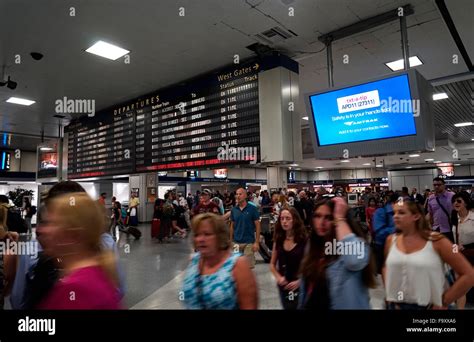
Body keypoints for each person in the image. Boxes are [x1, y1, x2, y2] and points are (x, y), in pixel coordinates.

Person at [383, 200, 474, 309]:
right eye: (394, 213)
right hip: (397, 305)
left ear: (415, 216)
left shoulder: (436, 241)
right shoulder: (390, 240)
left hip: (429, 305)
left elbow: (469, 274)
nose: (396, 216)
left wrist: (445, 301)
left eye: (401, 213)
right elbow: (386, 267)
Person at [37, 193, 121, 309]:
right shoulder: (99, 274)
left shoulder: (76, 290)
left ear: (73, 234)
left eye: (53, 223)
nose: (42, 230)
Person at [298, 197, 375, 309]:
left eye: (328, 217)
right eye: (317, 216)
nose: (321, 222)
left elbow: (354, 261)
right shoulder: (312, 246)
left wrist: (340, 217)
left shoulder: (352, 244)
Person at [181, 213, 258, 309]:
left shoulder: (237, 265)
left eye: (207, 234)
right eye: (197, 235)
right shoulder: (194, 261)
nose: (201, 239)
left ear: (220, 236)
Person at [269, 207, 307, 309]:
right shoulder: (279, 240)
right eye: (282, 219)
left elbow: (310, 264)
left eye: (288, 218)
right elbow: (272, 264)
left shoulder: (304, 240)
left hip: (300, 285)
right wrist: (279, 278)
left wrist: (300, 281)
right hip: (284, 285)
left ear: (294, 220)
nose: (284, 222)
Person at [451, 191, 474, 308]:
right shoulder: (454, 217)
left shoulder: (473, 218)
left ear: (466, 202)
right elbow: (455, 239)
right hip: (460, 257)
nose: (456, 203)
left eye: (459, 201)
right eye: (454, 201)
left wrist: (466, 246)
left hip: (472, 255)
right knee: (460, 288)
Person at [230, 188, 261, 269]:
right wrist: (230, 241)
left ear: (245, 196)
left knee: (248, 267)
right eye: (237, 194)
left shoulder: (252, 209)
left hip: (249, 243)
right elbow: (232, 226)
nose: (238, 196)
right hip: (236, 243)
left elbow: (258, 226)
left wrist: (257, 242)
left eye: (240, 194)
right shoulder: (234, 210)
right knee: (236, 266)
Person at [372, 193, 398, 274]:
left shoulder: (400, 213)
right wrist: (397, 229)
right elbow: (379, 233)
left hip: (398, 248)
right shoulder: (381, 212)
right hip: (383, 248)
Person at [427, 177, 454, 242]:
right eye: (434, 185)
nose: (436, 186)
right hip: (436, 229)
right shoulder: (431, 198)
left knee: (452, 249)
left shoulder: (452, 196)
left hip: (450, 228)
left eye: (439, 185)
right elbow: (431, 214)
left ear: (444, 185)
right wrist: (431, 226)